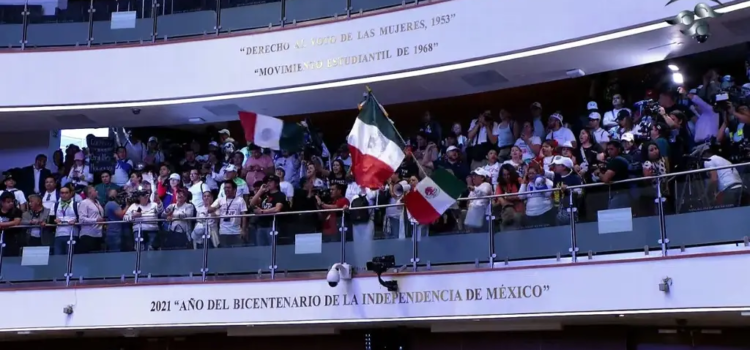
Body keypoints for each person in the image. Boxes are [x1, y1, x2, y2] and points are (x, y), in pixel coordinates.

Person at [249, 175, 286, 247]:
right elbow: (252, 204)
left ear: (276, 183)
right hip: (261, 225)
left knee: (272, 247)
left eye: (271, 181)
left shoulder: (280, 195)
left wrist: (263, 211)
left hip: (272, 225)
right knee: (260, 248)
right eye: (267, 182)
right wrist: (260, 191)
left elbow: (277, 208)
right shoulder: (265, 195)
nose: (268, 183)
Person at [594, 140, 631, 209]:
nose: (609, 151)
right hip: (624, 193)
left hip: (620, 194)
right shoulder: (627, 157)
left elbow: (606, 179)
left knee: (612, 214)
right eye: (608, 149)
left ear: (619, 149)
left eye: (612, 149)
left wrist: (598, 173)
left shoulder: (616, 161)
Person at [210, 181, 248, 248]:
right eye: (225, 188)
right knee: (225, 254)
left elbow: (244, 216)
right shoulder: (220, 200)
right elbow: (210, 210)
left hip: (236, 232)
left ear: (234, 190)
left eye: (229, 188)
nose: (226, 189)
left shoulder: (240, 200)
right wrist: (216, 207)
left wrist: (243, 230)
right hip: (223, 232)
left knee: (238, 253)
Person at [519, 162, 554, 227]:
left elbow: (548, 194)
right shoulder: (527, 184)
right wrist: (524, 181)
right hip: (529, 214)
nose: (530, 175)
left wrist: (541, 185)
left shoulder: (546, 181)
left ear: (538, 173)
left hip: (544, 212)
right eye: (529, 174)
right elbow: (521, 196)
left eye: (533, 173)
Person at [551, 156, 583, 225]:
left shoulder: (575, 178)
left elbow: (579, 193)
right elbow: (544, 173)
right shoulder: (556, 176)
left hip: (571, 211)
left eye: (557, 165)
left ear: (564, 167)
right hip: (558, 210)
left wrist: (568, 189)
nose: (554, 167)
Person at [52, 184, 78, 255]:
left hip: (72, 233)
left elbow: (80, 218)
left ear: (71, 193)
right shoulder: (55, 205)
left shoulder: (76, 204)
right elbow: (50, 219)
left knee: (70, 257)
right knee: (58, 258)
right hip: (59, 234)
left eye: (66, 193)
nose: (64, 195)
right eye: (62, 193)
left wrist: (76, 221)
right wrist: (54, 220)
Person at [77, 186, 104, 253]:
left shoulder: (97, 202)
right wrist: (95, 220)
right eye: (95, 190)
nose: (97, 192)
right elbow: (81, 219)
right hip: (88, 235)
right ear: (90, 193)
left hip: (98, 234)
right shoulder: (84, 203)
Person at [0, 191, 23, 256]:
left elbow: (16, 222)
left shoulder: (17, 211)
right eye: (8, 202)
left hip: (12, 238)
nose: (11, 203)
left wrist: (1, 224)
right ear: (2, 202)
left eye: (12, 201)